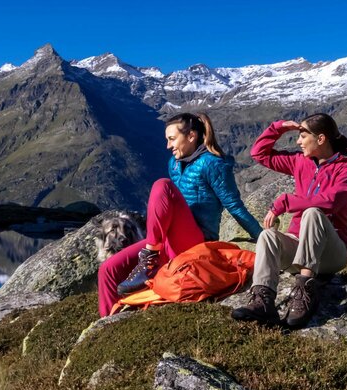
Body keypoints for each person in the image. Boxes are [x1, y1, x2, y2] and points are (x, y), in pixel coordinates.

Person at [98, 112, 262, 316]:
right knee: (108, 270)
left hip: (197, 240)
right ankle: (107, 323)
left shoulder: (214, 164)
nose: (168, 146)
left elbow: (234, 205)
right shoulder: (174, 164)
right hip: (168, 240)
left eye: (172, 139)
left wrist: (262, 237)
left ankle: (148, 259)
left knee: (162, 185)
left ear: (191, 136)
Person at [232, 113, 347, 329]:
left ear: (320, 139)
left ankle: (304, 291)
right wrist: (279, 127)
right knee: (268, 236)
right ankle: (262, 301)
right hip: (299, 247)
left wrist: (286, 201)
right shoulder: (300, 162)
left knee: (313, 212)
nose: (298, 141)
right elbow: (259, 154)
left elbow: (331, 202)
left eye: (303, 136)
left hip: (331, 255)